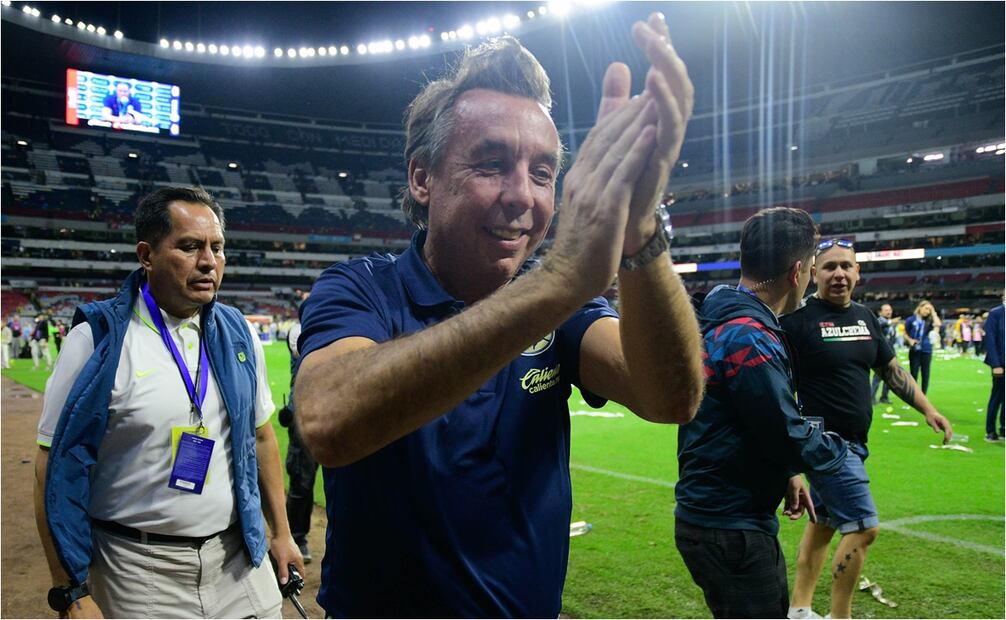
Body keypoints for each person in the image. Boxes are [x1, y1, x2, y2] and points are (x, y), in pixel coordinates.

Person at [295, 16, 705, 618]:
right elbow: (328, 422)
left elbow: (671, 397)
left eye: (543, 172)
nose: (523, 195)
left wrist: (640, 232)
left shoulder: (564, 312)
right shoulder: (362, 288)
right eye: (491, 164)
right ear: (422, 177)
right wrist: (557, 283)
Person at [33, 186, 303, 618]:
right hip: (137, 569)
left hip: (237, 555)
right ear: (147, 254)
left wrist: (282, 533)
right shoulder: (96, 341)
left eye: (217, 248)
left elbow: (262, 437)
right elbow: (53, 466)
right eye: (190, 246)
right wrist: (69, 588)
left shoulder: (239, 333)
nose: (209, 262)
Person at [675, 207, 849, 619]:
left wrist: (785, 472)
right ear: (797, 271)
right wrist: (843, 454)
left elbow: (741, 415)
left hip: (715, 514)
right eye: (810, 268)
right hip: (730, 524)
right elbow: (784, 431)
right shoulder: (747, 335)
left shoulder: (722, 315)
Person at [783, 239, 952, 619]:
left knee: (823, 525)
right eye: (829, 267)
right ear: (813, 274)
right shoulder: (797, 322)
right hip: (824, 443)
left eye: (846, 266)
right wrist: (788, 459)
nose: (839, 274)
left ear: (858, 272)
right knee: (864, 528)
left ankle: (799, 610)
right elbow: (777, 390)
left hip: (855, 442)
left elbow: (890, 370)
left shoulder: (864, 317)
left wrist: (928, 409)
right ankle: (839, 616)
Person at [283, 291, 317, 563]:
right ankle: (296, 536)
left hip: (336, 409)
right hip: (305, 415)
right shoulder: (298, 331)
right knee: (302, 481)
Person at [904, 300, 941, 394]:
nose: (927, 311)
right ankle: (914, 394)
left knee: (925, 374)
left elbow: (938, 324)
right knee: (914, 373)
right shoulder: (911, 320)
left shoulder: (929, 320)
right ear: (920, 308)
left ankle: (923, 395)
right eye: (926, 308)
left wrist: (933, 313)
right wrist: (910, 340)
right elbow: (905, 333)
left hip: (926, 349)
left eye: (929, 309)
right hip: (914, 349)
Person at [984, 302, 1004, 442]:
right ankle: (990, 430)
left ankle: (1004, 428)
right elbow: (990, 340)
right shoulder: (996, 313)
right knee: (997, 396)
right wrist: (995, 364)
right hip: (1001, 363)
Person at [870, 303, 897, 404]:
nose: (889, 312)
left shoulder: (890, 323)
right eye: (886, 310)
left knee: (890, 377)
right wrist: (890, 322)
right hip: (880, 353)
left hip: (891, 352)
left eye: (890, 310)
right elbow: (880, 326)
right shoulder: (879, 321)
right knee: (878, 377)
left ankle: (884, 397)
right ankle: (871, 398)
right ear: (880, 312)